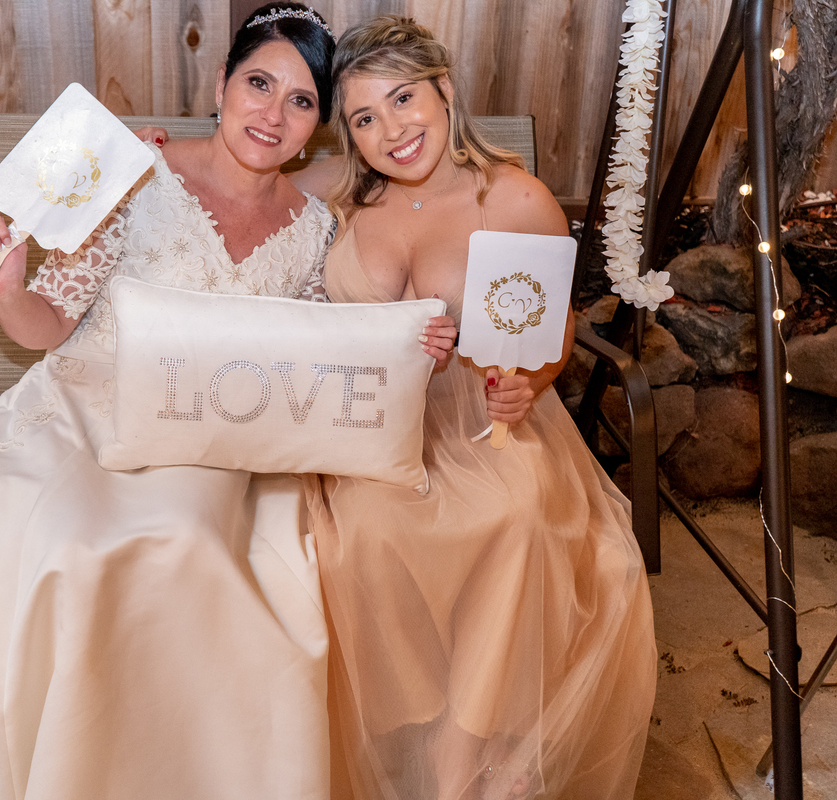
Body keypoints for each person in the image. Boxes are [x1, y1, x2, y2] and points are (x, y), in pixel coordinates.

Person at [0, 6, 452, 798]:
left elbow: (324, 347)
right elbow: (47, 326)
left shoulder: (317, 230)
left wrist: (415, 341)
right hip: (84, 412)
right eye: (259, 83)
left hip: (215, 434)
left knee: (188, 539)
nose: (272, 114)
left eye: (300, 101)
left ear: (318, 125)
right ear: (221, 83)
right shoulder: (131, 175)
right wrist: (10, 290)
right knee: (79, 547)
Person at [294, 16, 657, 800]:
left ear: (445, 91)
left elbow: (554, 328)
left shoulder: (514, 198)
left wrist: (531, 381)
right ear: (348, 135)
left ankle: (458, 754)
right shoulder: (338, 193)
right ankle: (404, 730)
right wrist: (159, 154)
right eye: (365, 118)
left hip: (480, 417)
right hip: (370, 422)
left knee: (515, 515)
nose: (392, 130)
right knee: (363, 536)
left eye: (403, 99)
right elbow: (239, 182)